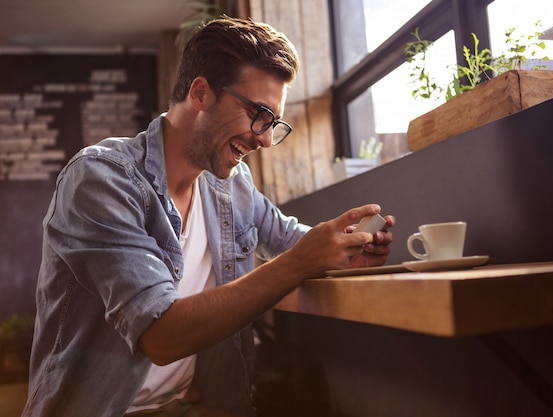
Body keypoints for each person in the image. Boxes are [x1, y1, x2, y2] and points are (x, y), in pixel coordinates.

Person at [21, 16, 395, 417]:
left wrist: (350, 245)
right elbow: (160, 335)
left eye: (274, 124)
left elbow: (290, 237)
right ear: (201, 93)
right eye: (259, 115)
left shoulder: (231, 184)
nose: (266, 139)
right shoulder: (100, 179)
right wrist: (302, 260)